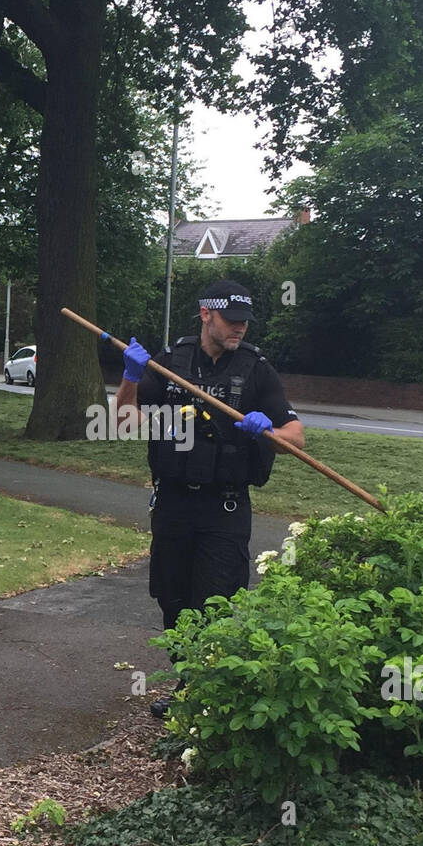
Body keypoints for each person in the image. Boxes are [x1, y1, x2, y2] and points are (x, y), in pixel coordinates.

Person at [113, 280, 304, 715]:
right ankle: (188, 682)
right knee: (173, 596)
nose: (239, 329)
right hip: (174, 502)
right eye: (231, 321)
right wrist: (129, 377)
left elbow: (297, 436)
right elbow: (124, 422)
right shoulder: (170, 363)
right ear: (205, 315)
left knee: (217, 599)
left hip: (226, 506)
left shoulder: (256, 369)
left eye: (244, 322)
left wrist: (269, 431)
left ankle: (210, 692)